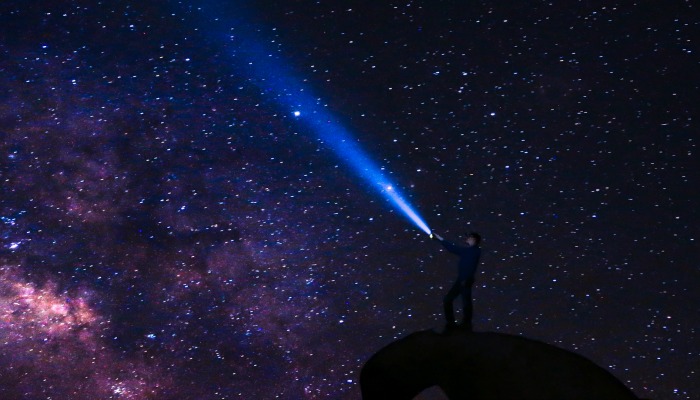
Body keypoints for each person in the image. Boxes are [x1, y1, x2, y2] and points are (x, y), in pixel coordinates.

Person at [431, 231, 482, 330]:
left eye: (469, 237)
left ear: (474, 239)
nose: (467, 238)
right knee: (449, 300)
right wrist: (440, 239)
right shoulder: (468, 251)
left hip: (466, 279)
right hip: (462, 279)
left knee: (465, 302)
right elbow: (452, 248)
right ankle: (452, 324)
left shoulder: (475, 251)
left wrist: (467, 278)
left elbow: (455, 249)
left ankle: (465, 325)